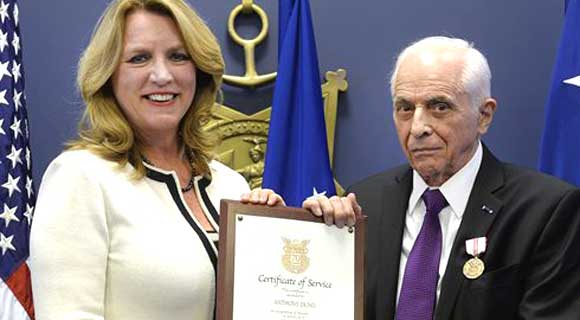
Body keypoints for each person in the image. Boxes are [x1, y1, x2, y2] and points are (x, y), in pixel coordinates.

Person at [29, 1, 283, 319]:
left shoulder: (231, 184)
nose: (162, 75)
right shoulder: (80, 177)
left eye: (178, 56)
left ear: (198, 70)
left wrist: (328, 235)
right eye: (139, 58)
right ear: (109, 75)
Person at [303, 36, 580, 319]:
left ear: (484, 116)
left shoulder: (546, 211)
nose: (418, 127)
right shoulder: (365, 202)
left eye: (439, 107)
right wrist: (273, 223)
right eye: (405, 108)